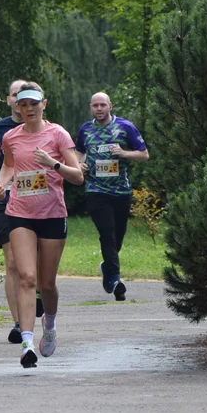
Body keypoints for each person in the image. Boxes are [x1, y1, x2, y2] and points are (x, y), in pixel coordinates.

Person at [0, 82, 83, 368]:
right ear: (16, 107)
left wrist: (52, 164)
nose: (29, 109)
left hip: (53, 215)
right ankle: (27, 343)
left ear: (44, 104)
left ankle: (51, 324)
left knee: (46, 285)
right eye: (23, 104)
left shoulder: (58, 135)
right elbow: (9, 164)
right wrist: (1, 183)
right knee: (26, 278)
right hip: (20, 213)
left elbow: (78, 177)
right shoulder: (11, 137)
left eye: (34, 103)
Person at [0, 80, 43, 345]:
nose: (23, 102)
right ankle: (19, 322)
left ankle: (37, 294)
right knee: (12, 262)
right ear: (10, 100)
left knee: (36, 261)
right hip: (4, 198)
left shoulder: (45, 128)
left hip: (37, 200)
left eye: (28, 97)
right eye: (17, 96)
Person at [75, 92, 149, 301]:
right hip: (96, 191)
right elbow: (77, 152)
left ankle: (107, 267)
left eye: (102, 105)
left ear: (110, 106)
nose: (99, 109)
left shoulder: (125, 127)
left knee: (118, 236)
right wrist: (78, 164)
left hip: (121, 191)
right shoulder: (86, 129)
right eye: (95, 106)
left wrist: (124, 153)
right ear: (91, 107)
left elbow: (144, 154)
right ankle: (116, 280)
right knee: (107, 233)